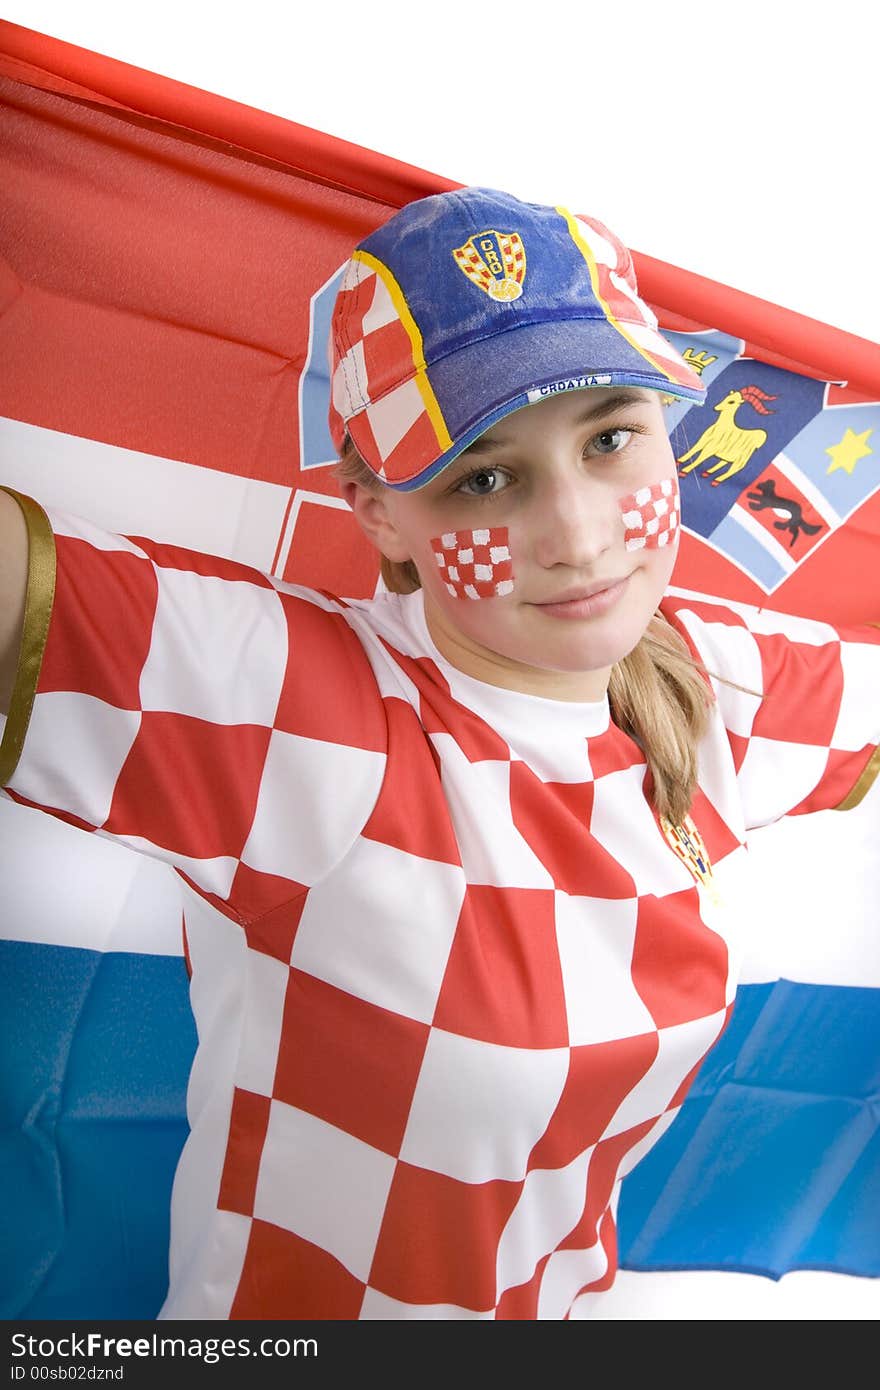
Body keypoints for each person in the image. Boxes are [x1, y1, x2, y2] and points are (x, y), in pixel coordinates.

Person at [0, 187, 877, 1321]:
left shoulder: (715, 685)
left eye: (611, 437)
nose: (575, 535)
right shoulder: (293, 706)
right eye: (483, 476)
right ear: (375, 512)